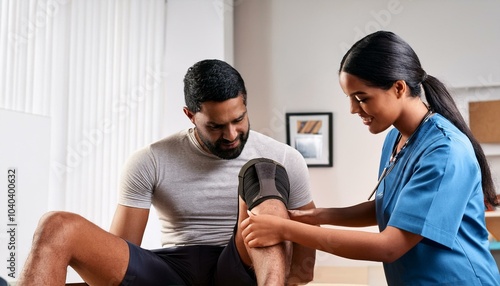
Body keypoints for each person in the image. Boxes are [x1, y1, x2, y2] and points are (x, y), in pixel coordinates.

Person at [18, 59, 316, 285]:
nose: (231, 134)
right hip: (173, 269)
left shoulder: (285, 157)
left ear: (245, 105)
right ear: (190, 115)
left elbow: (303, 270)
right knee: (56, 225)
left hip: (243, 265)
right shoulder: (151, 159)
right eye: (215, 126)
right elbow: (123, 252)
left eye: (239, 119)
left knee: (263, 174)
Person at [241, 31, 500, 285]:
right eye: (351, 99)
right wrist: (316, 215)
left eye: (361, 98)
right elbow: (391, 207)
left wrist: (284, 229)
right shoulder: (396, 137)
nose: (354, 109)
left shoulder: (445, 151)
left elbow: (389, 247)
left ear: (398, 87)